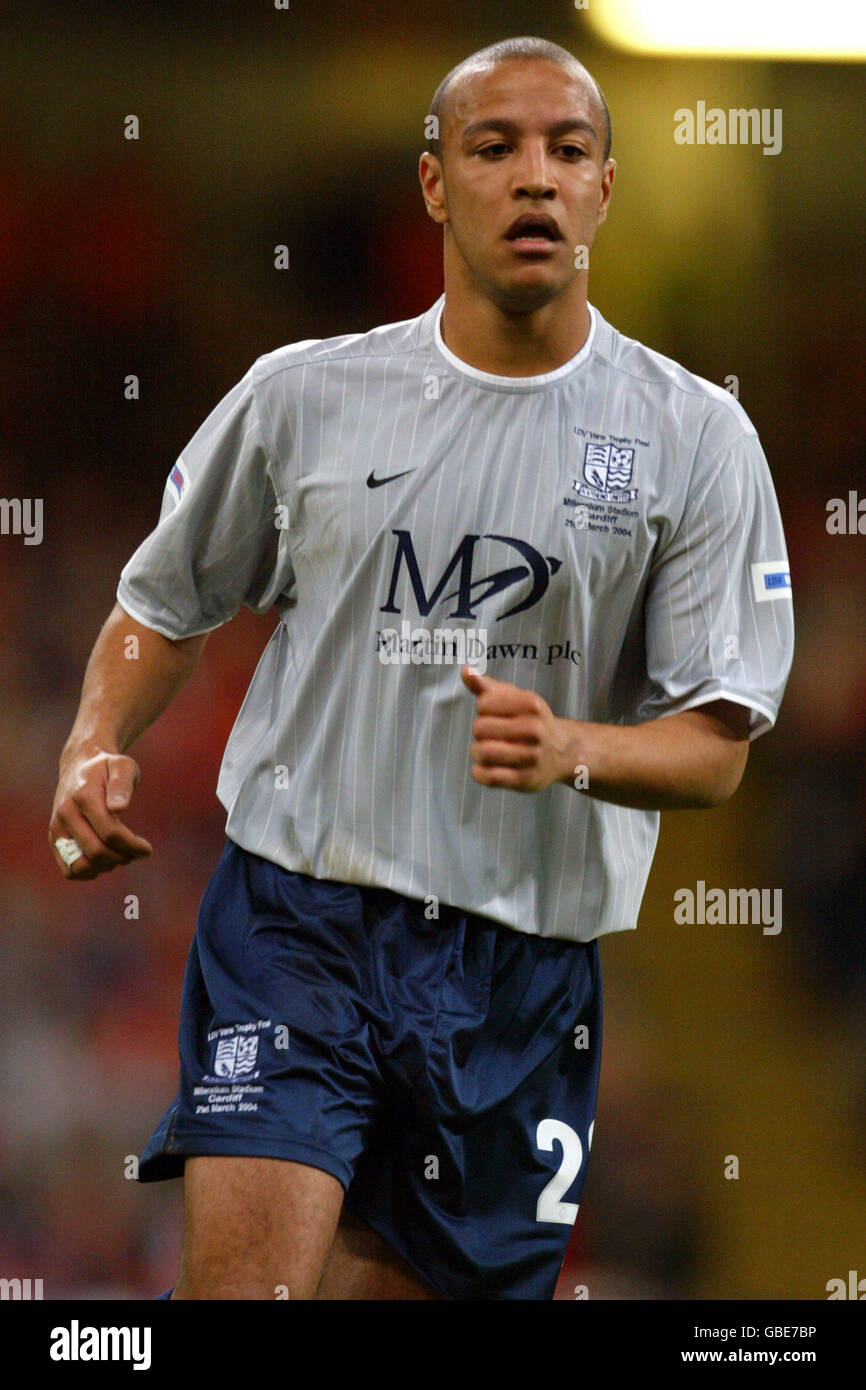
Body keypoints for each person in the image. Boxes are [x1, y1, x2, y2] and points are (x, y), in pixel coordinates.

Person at [49, 35, 794, 1300]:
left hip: (521, 973)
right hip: (299, 922)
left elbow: (716, 747)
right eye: (494, 148)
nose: (534, 179)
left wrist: (574, 749)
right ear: (435, 185)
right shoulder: (303, 397)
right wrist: (93, 737)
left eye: (565, 150)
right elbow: (159, 605)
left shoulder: (694, 437)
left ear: (607, 185)